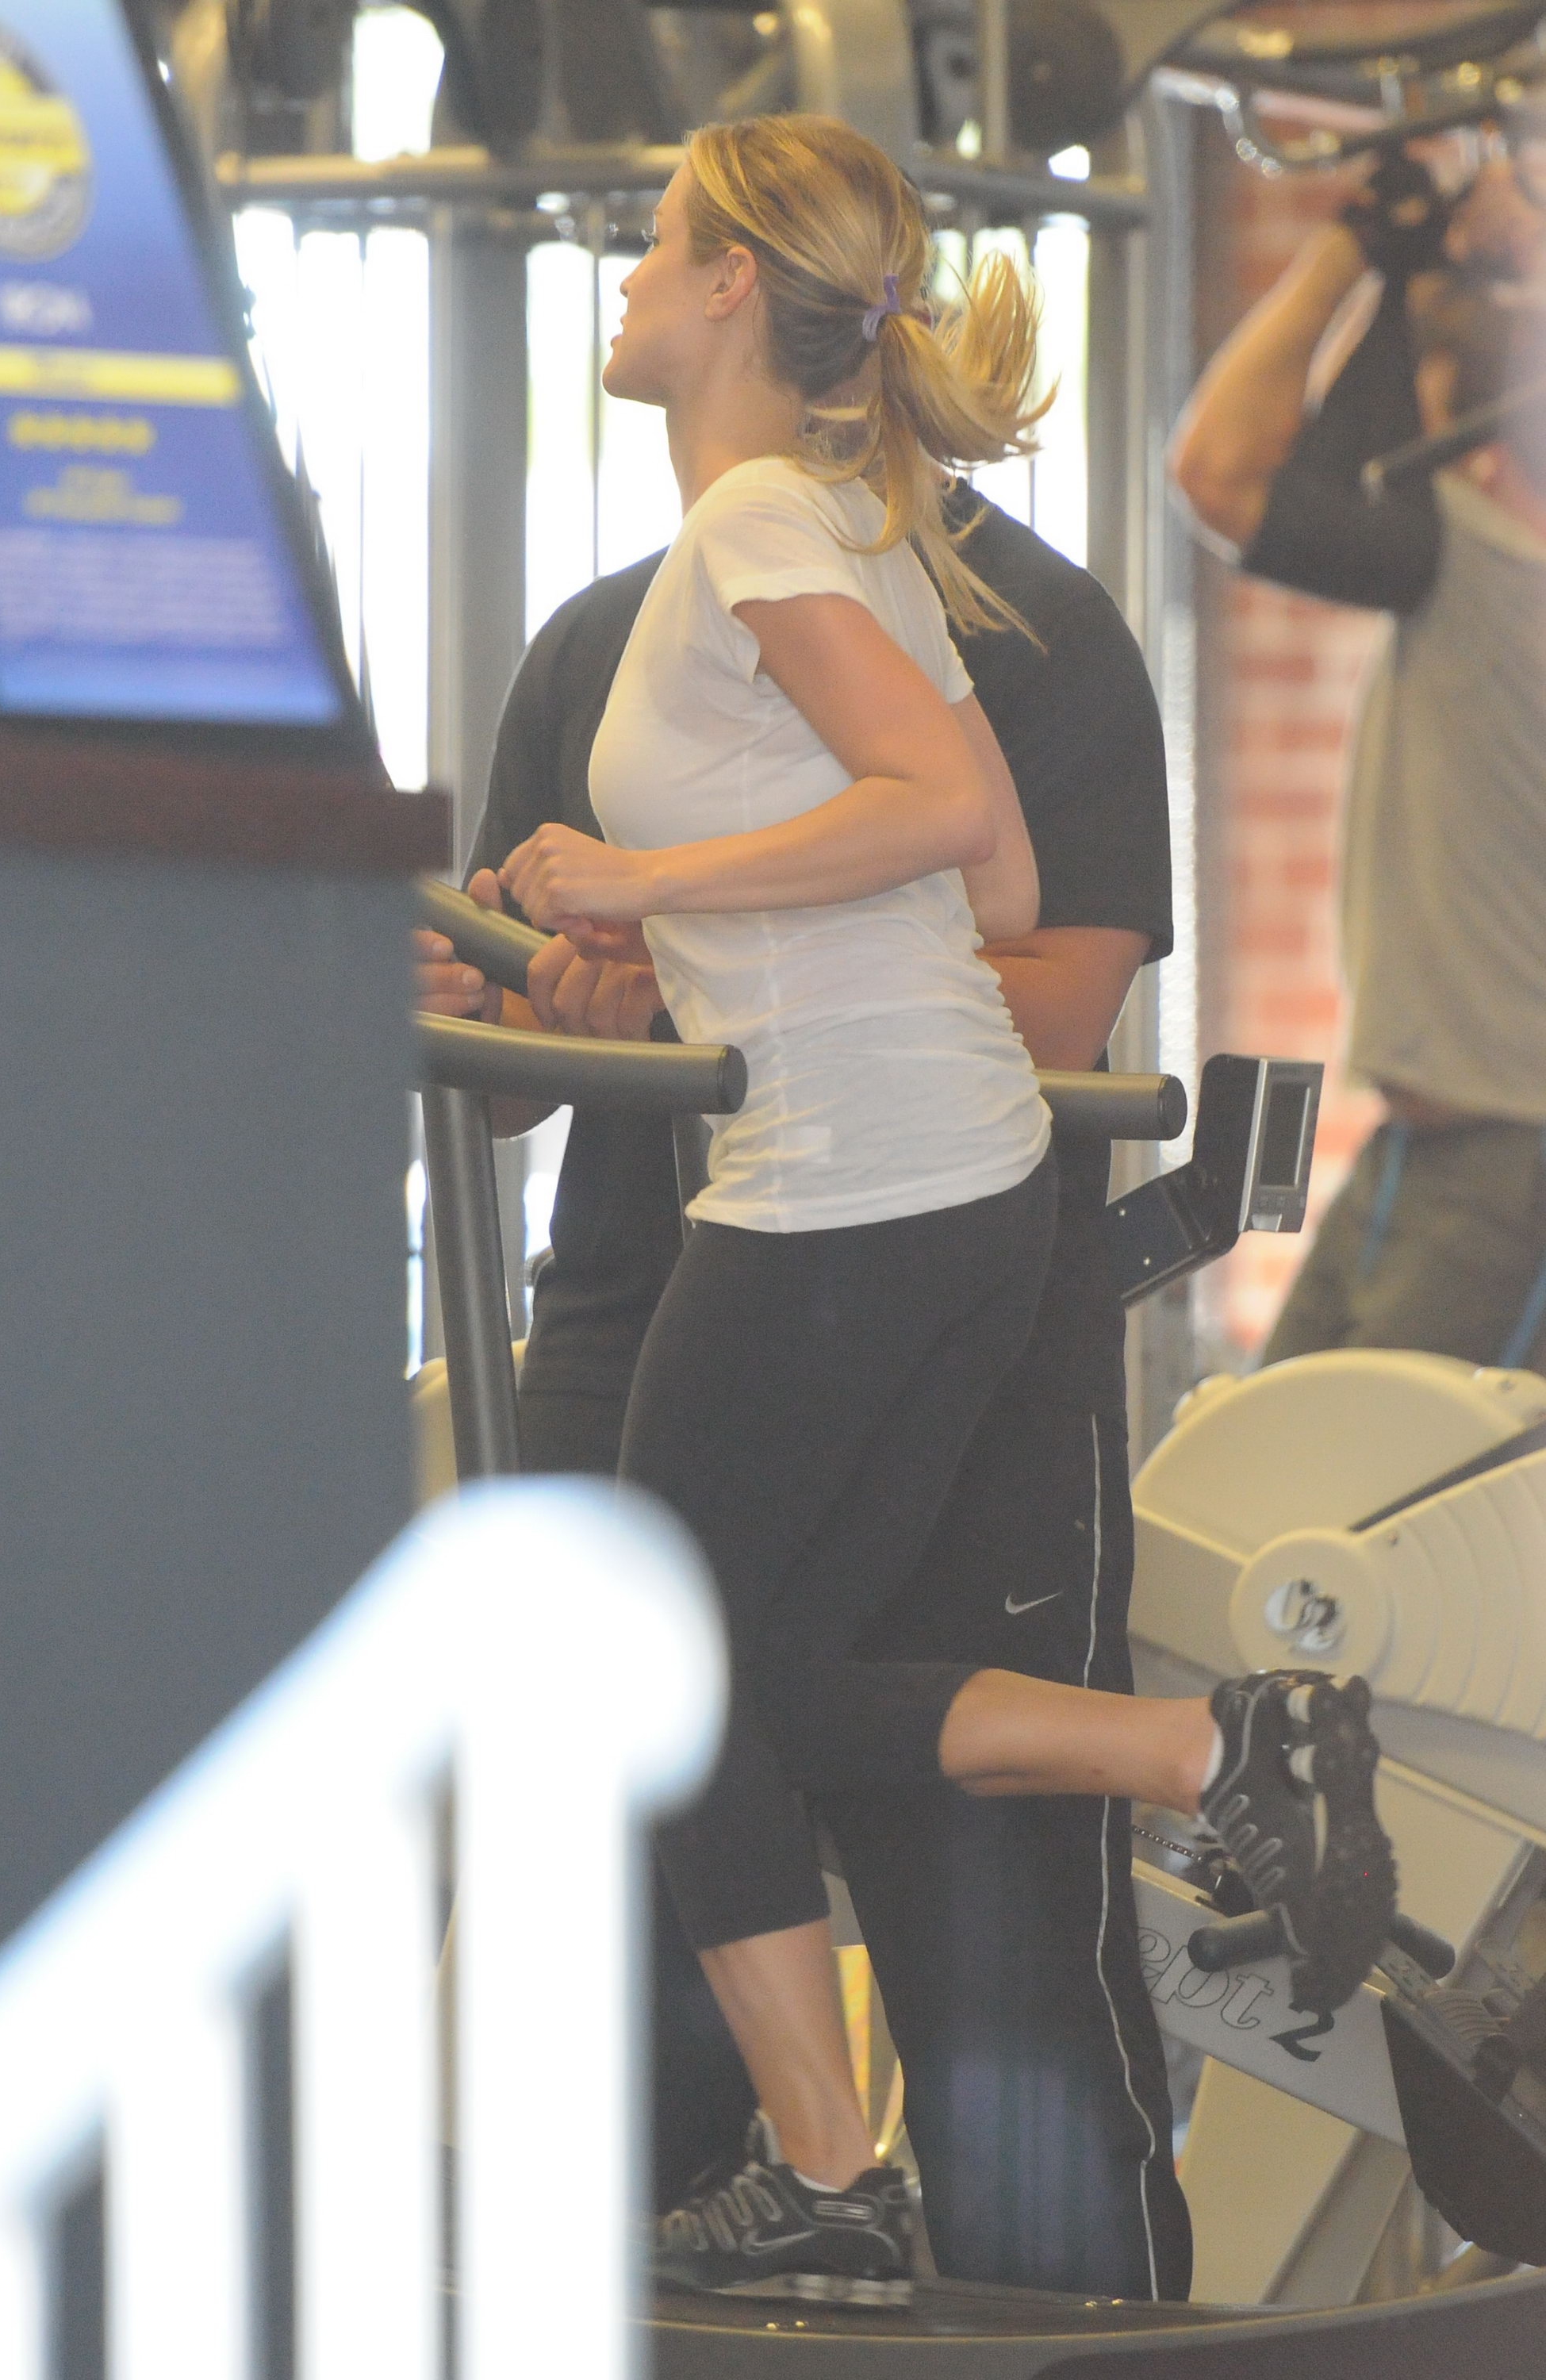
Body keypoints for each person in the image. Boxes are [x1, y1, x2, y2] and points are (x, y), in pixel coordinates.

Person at [428, 112, 1393, 2299]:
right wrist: (549, 976)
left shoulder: (975, 604)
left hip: (892, 1260)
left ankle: (903, 2206)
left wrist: (668, 907)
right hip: (675, 1285)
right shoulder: (618, 636)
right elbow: (548, 1029)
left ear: (740, 285)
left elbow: (1028, 956)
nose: (620, 269)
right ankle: (1206, 1758)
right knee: (697, 1743)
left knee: (971, 1953)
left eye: (657, 239)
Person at [1169, 154, 1546, 1375]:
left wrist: (1355, 251)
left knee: (1371, 1483)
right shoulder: (1466, 563)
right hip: (1418, 1147)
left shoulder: (1491, 570)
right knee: (1268, 1456)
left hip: (1509, 1165)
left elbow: (1221, 469)